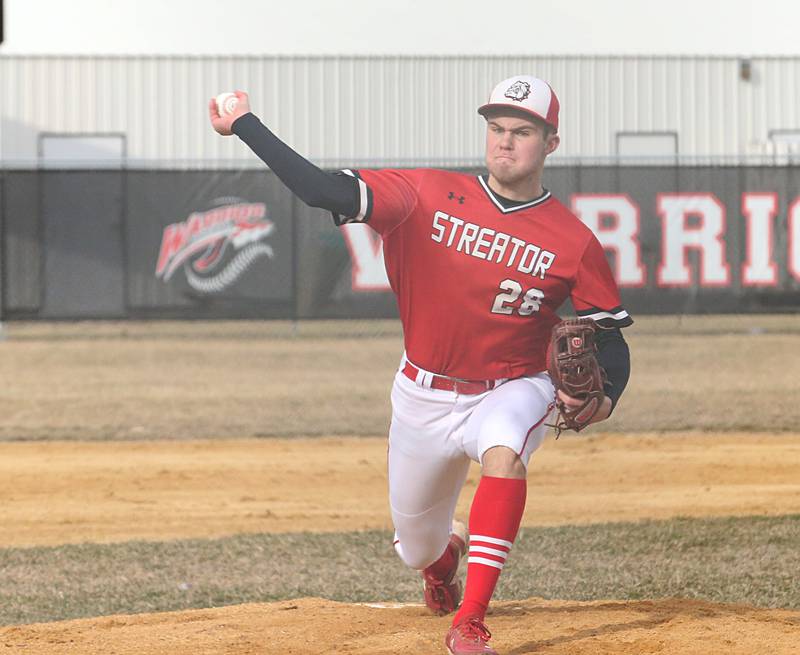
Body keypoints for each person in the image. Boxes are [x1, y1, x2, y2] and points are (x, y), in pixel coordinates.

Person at [209, 75, 632, 655]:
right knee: (415, 545)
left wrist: (609, 396)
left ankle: (473, 621)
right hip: (422, 393)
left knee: (506, 452)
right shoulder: (423, 195)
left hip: (513, 384)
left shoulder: (572, 240)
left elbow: (610, 336)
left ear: (550, 143)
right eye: (497, 129)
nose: (505, 142)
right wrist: (244, 126)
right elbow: (318, 190)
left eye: (523, 131)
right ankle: (442, 564)